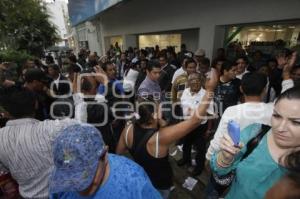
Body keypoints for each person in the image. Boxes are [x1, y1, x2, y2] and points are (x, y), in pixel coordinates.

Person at [116, 69, 219, 198]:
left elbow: (118, 155)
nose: (162, 110)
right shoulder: (161, 137)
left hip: (141, 177)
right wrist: (210, 90)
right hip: (160, 183)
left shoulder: (128, 130)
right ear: (154, 115)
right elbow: (196, 120)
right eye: (159, 109)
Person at [210, 86, 300, 199]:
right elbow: (220, 173)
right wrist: (225, 158)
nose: (280, 128)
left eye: (296, 123)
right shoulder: (255, 132)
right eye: (277, 116)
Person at [0, 86, 78, 198]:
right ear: (36, 104)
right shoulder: (53, 128)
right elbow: (81, 123)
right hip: (63, 194)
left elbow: (3, 171)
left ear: (5, 112)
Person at [49, 124, 161, 199]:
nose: (80, 188)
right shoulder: (59, 179)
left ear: (104, 156)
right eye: (71, 179)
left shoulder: (135, 182)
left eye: (86, 177)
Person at [177, 73, 214, 176]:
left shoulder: (207, 94)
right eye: (192, 80)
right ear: (188, 82)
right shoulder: (185, 91)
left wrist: (209, 129)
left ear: (201, 81)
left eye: (197, 80)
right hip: (187, 124)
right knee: (186, 143)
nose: (195, 82)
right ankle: (185, 159)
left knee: (200, 147)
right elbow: (183, 108)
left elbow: (210, 113)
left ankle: (199, 166)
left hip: (200, 126)